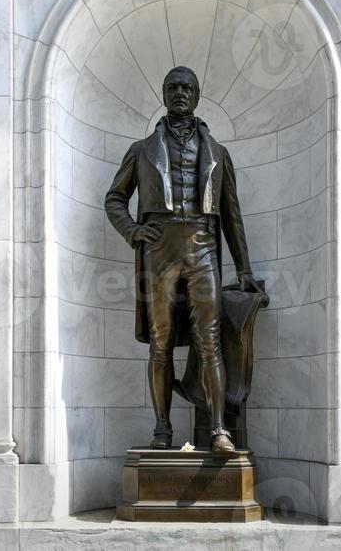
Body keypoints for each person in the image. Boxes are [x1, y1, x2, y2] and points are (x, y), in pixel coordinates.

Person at [104, 65, 262, 453]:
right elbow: (114, 199)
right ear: (163, 93)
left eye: (186, 87)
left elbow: (232, 217)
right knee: (160, 344)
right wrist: (133, 231)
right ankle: (162, 429)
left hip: (203, 245)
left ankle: (218, 429)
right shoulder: (141, 150)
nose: (179, 92)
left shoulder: (218, 154)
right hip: (159, 250)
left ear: (196, 94)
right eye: (172, 86)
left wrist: (243, 269)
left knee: (209, 342)